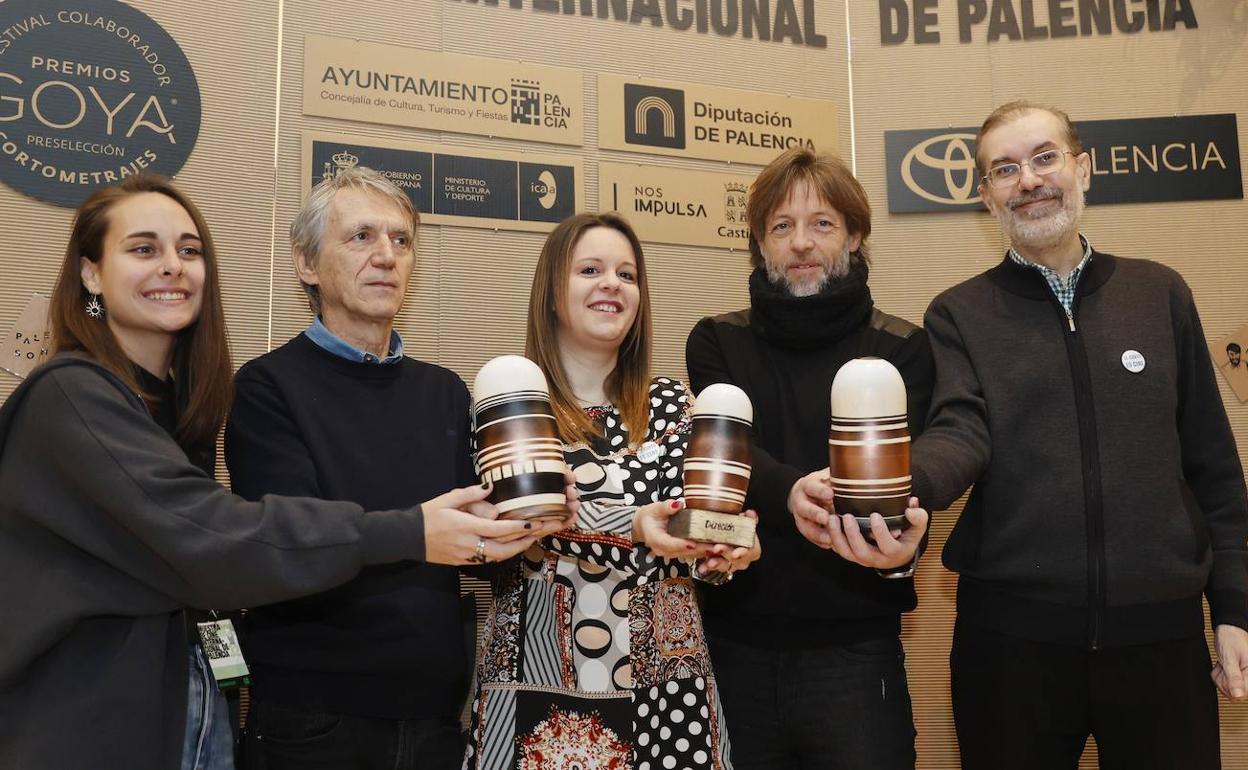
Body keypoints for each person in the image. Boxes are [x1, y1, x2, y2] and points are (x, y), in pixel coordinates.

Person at [0, 175, 550, 770]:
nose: (172, 267)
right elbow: (229, 542)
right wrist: (411, 531)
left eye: (189, 251)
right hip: (131, 723)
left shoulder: (176, 409)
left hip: (202, 713)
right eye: (143, 249)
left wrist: (531, 513)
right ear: (89, 274)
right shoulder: (76, 395)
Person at [911, 101, 1248, 769]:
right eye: (1004, 169)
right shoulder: (957, 315)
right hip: (1009, 650)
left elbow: (1215, 471)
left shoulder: (1162, 294)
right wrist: (899, 484)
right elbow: (957, 433)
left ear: (1083, 168)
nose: (1028, 180)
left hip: (1161, 643)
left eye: (1044, 158)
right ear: (985, 197)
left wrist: (1235, 609)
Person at [225, 167, 570, 770]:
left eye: (401, 240)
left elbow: (483, 548)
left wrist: (527, 511)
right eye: (360, 237)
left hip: (435, 716)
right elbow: (291, 545)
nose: (385, 255)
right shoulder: (265, 388)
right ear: (307, 263)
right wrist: (418, 530)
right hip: (314, 720)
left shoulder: (445, 393)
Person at [465, 212, 760, 770]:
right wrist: (631, 525)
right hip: (535, 676)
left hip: (670, 688)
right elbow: (510, 524)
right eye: (591, 270)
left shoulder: (679, 407)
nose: (612, 284)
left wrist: (731, 546)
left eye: (627, 274)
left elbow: (697, 531)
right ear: (551, 292)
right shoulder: (508, 395)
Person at [686, 146, 935, 770]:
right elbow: (732, 456)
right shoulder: (716, 340)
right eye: (782, 226)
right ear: (758, 242)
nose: (801, 243)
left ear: (854, 235)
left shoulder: (903, 350)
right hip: (733, 642)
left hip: (856, 651)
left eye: (822, 223)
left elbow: (909, 487)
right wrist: (793, 491)